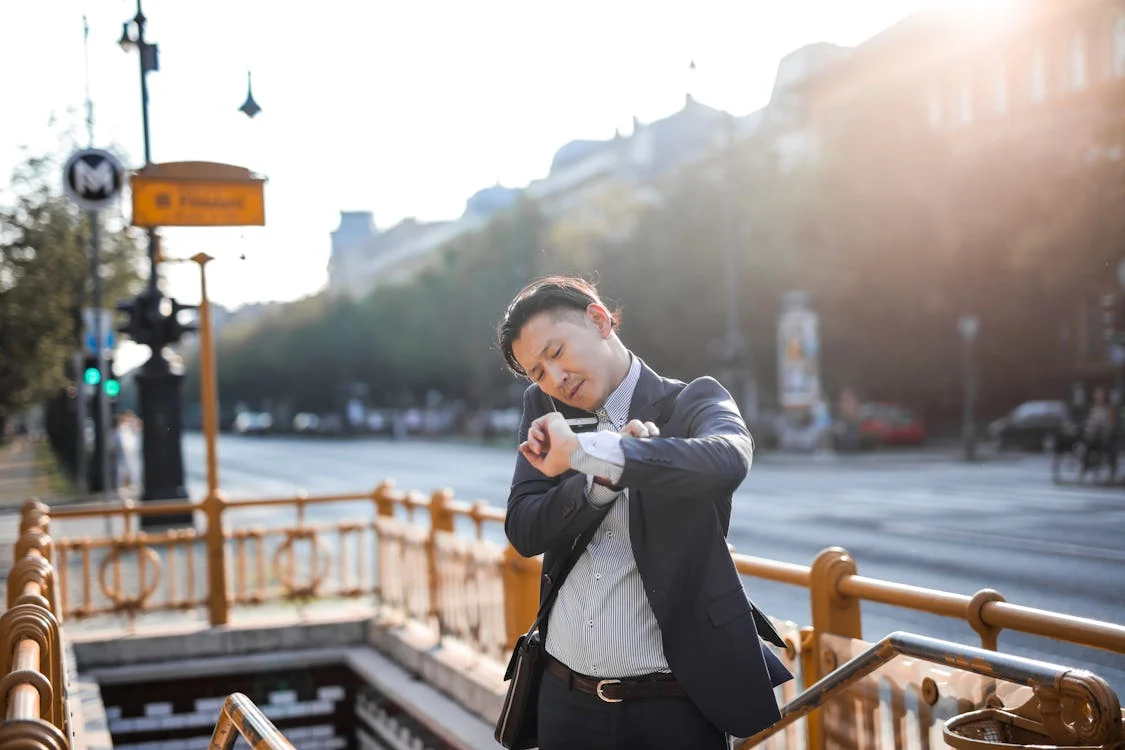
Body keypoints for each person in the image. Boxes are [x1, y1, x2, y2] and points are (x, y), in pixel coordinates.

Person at [497, 276, 792, 750]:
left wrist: (612, 455)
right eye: (537, 372)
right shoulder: (545, 409)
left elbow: (728, 459)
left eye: (555, 353)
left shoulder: (692, 400)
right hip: (563, 699)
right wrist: (597, 479)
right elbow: (525, 529)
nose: (555, 379)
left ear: (599, 319)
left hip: (671, 706)